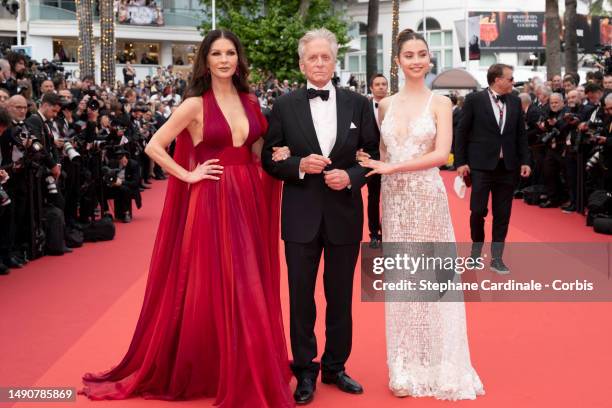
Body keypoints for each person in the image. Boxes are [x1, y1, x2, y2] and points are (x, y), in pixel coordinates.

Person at [79, 29, 294, 407]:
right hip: (213, 197)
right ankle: (220, 368)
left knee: (250, 281)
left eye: (230, 53)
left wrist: (276, 153)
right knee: (223, 283)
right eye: (217, 54)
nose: (225, 60)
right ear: (206, 61)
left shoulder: (250, 100)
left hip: (250, 195)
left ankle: (244, 365)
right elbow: (154, 145)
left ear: (238, 59)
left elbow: (254, 145)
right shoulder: (195, 105)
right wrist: (189, 174)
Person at [358, 28, 484, 400]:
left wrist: (391, 169)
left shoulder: (440, 103)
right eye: (408, 54)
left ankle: (443, 364)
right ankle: (405, 364)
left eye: (421, 54)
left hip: (427, 198)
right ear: (397, 61)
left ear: (430, 59)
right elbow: (380, 154)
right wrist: (364, 161)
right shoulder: (385, 105)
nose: (416, 60)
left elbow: (441, 153)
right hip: (395, 202)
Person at [262, 28, 379, 405]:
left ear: (334, 61)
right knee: (300, 298)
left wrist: (351, 177)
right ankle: (305, 371)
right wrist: (298, 165)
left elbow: (372, 156)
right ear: (301, 64)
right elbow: (269, 158)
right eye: (312, 57)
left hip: (344, 212)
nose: (318, 63)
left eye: (324, 57)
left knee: (340, 296)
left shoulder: (358, 104)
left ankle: (335, 366)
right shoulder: (283, 106)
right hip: (299, 216)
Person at [455, 63, 531, 274]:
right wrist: (460, 162)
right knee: (477, 211)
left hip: (508, 167)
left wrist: (525, 160)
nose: (513, 82)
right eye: (510, 78)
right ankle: (475, 253)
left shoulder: (515, 102)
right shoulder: (474, 100)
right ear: (497, 79)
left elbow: (521, 135)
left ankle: (497, 258)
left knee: (502, 214)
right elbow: (461, 132)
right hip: (481, 166)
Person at [366, 73, 388, 248]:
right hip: (372, 160)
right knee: (373, 198)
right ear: (371, 88)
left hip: (393, 161)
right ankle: (374, 233)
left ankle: (389, 231)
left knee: (391, 197)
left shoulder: (395, 106)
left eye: (383, 84)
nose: (381, 87)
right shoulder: (364, 108)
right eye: (377, 84)